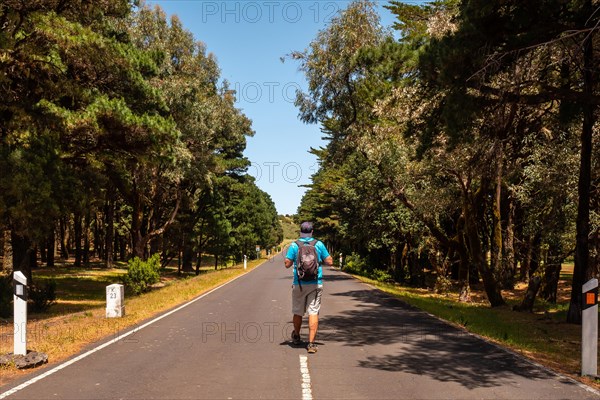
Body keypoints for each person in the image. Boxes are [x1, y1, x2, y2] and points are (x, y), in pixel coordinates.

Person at [284, 221, 333, 354]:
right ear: (312, 232)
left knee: (298, 311)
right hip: (315, 283)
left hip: (299, 283)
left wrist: (293, 259)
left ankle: (296, 336)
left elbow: (287, 264)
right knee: (313, 312)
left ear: (300, 232)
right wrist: (319, 260)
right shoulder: (318, 244)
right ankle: (311, 344)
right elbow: (330, 261)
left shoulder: (294, 245)